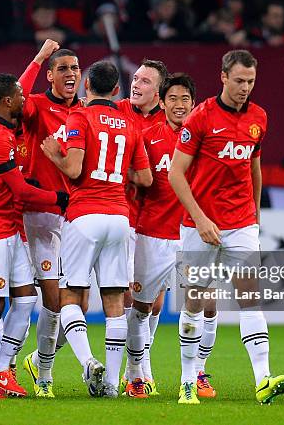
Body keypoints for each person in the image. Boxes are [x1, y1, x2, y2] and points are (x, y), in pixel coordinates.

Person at [168, 49, 284, 405]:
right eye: (239, 81)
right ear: (223, 77)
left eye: (250, 82)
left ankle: (263, 379)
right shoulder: (200, 118)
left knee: (250, 297)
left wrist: (254, 212)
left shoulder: (259, 117)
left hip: (240, 223)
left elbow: (254, 165)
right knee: (195, 300)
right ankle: (188, 380)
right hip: (198, 224)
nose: (244, 88)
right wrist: (201, 219)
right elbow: (176, 174)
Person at [41, 60, 152, 398]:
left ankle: (88, 361)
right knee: (114, 300)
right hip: (119, 217)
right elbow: (146, 178)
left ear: (87, 85)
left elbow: (74, 169)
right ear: (117, 90)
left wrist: (53, 155)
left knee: (71, 295)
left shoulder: (80, 116)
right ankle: (112, 385)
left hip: (85, 214)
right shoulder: (130, 124)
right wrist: (118, 173)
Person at [0, 74, 68, 399]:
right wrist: (58, 199)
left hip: (10, 226)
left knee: (26, 298)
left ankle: (2, 371)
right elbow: (19, 189)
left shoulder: (2, 132)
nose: (24, 98)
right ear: (7, 101)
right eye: (20, 94)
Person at [124, 73, 195, 398]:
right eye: (174, 100)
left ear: (193, 103)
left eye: (185, 100)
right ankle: (137, 373)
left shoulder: (205, 140)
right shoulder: (147, 137)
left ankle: (196, 376)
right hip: (152, 233)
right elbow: (134, 179)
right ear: (162, 103)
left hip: (193, 233)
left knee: (201, 305)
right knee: (143, 308)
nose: (180, 106)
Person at [19, 48, 85, 398]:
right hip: (41, 213)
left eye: (75, 67)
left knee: (79, 305)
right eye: (62, 68)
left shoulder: (86, 112)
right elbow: (15, 98)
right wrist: (39, 56)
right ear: (50, 75)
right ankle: (44, 375)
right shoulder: (36, 106)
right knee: (52, 297)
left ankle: (37, 358)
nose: (70, 73)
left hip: (76, 214)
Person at [116, 58, 168, 394]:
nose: (136, 84)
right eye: (135, 78)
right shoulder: (116, 111)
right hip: (122, 217)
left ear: (159, 92)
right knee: (124, 298)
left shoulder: (172, 123)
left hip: (158, 223)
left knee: (154, 302)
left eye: (146, 81)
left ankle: (138, 366)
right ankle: (136, 370)